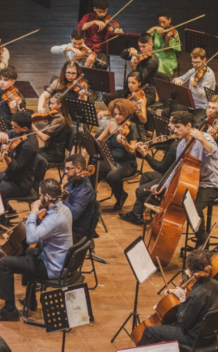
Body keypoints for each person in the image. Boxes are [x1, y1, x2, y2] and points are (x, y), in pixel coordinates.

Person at [0, 178, 73, 321]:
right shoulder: (65, 208)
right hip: (61, 261)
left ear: (47, 197)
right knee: (28, 251)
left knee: (4, 263)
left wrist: (33, 214)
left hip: (52, 267)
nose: (38, 199)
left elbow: (32, 237)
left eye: (40, 195)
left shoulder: (54, 219)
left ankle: (9, 311)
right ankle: (30, 300)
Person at [149, 111, 218, 248]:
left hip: (209, 184)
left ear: (188, 126)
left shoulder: (204, 137)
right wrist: (163, 184)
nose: (174, 130)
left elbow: (214, 153)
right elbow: (177, 168)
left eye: (178, 127)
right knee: (175, 200)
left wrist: (202, 139)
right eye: (173, 126)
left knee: (194, 208)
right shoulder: (181, 144)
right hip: (192, 182)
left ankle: (201, 243)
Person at [138, 250, 218, 352]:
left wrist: (181, 301)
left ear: (192, 271)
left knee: (150, 331)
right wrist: (181, 293)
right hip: (212, 336)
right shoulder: (215, 285)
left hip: (195, 339)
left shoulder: (196, 295)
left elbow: (183, 323)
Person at [0, 111, 39, 230]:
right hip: (11, 176)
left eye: (15, 127)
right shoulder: (19, 133)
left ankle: (1, 222)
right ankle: (10, 211)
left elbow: (16, 167)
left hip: (21, 183)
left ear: (25, 128)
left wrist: (6, 155)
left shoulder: (29, 145)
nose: (13, 129)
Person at [120, 115, 179, 225]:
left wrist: (145, 154)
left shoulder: (175, 147)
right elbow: (167, 144)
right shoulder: (177, 141)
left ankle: (160, 207)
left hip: (170, 178)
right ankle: (138, 213)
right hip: (168, 174)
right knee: (146, 176)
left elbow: (160, 167)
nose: (168, 125)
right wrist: (151, 146)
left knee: (140, 191)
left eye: (171, 123)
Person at [90, 99, 139, 211]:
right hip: (111, 160)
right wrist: (89, 146)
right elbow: (98, 140)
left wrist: (125, 143)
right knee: (94, 168)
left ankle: (121, 196)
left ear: (127, 113)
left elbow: (132, 150)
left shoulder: (132, 127)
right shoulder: (111, 125)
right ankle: (89, 197)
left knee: (112, 177)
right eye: (115, 114)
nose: (117, 117)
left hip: (127, 163)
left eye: (120, 114)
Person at [104, 33, 159, 106]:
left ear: (151, 45)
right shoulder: (139, 53)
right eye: (139, 46)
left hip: (146, 92)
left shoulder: (152, 61)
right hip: (132, 89)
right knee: (107, 96)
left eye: (144, 47)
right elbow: (122, 55)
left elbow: (140, 78)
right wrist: (129, 50)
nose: (141, 49)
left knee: (131, 104)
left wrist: (133, 68)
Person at [77, 0, 123, 70]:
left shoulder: (109, 20)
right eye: (99, 12)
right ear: (94, 9)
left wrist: (116, 33)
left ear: (107, 9)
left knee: (103, 64)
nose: (102, 14)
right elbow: (79, 28)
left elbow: (108, 39)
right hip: (86, 48)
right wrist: (94, 22)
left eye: (104, 12)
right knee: (82, 64)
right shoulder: (88, 17)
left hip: (100, 50)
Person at [101, 71, 148, 140]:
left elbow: (144, 120)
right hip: (124, 124)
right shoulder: (129, 94)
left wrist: (138, 113)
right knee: (102, 135)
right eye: (128, 82)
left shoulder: (141, 99)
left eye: (133, 83)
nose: (130, 85)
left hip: (136, 129)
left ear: (139, 83)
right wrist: (105, 114)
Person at [62, 154, 96, 243]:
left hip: (77, 232)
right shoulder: (74, 180)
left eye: (68, 168)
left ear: (78, 169)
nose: (65, 171)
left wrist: (61, 199)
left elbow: (73, 215)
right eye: (65, 168)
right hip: (69, 224)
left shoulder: (85, 190)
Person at [32, 95, 71, 165]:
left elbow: (44, 138)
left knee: (31, 158)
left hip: (55, 153)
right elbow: (47, 128)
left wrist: (32, 127)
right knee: (30, 152)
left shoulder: (59, 120)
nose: (49, 106)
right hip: (49, 149)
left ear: (59, 105)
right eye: (50, 103)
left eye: (52, 104)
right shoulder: (56, 116)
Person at [147, 10, 181, 77]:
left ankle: (159, 84)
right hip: (155, 56)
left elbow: (166, 50)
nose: (161, 25)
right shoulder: (156, 29)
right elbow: (143, 37)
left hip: (168, 59)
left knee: (158, 64)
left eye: (164, 22)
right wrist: (153, 29)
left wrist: (167, 40)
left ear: (169, 20)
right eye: (159, 22)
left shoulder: (174, 32)